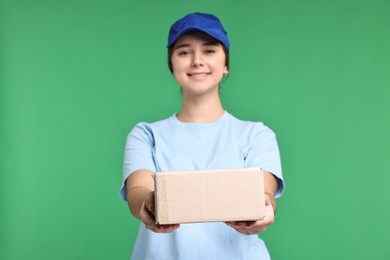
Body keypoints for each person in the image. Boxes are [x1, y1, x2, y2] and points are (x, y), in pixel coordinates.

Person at [120, 12, 285, 260]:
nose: (197, 61)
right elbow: (138, 189)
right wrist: (148, 205)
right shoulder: (146, 135)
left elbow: (264, 193)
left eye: (209, 51)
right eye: (184, 52)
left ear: (226, 64)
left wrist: (265, 208)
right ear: (172, 64)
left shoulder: (256, 135)